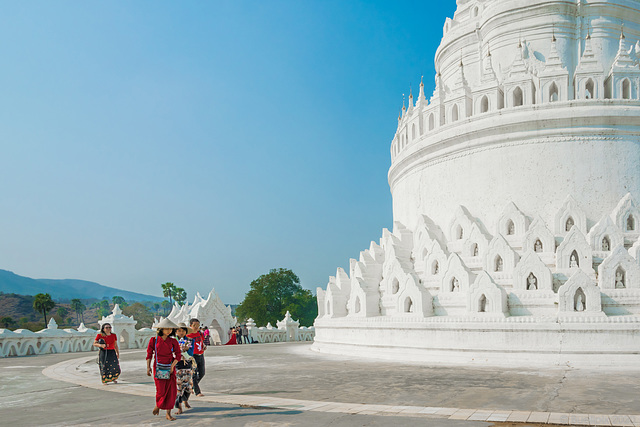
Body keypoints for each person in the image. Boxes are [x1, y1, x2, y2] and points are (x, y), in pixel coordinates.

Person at [147, 318, 181, 421]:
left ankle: (168, 413)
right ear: (161, 329)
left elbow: (178, 355)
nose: (169, 331)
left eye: (170, 329)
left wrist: (172, 366)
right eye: (166, 329)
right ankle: (158, 404)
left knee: (171, 390)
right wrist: (148, 367)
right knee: (161, 390)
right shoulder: (154, 340)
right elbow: (149, 354)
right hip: (158, 366)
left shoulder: (173, 341)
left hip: (169, 367)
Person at [174, 322, 196, 414]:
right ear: (176, 332)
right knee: (178, 387)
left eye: (183, 331)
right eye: (179, 331)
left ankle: (185, 400)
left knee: (188, 385)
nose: (181, 332)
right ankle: (179, 406)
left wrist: (186, 349)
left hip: (187, 365)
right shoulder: (173, 341)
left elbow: (191, 353)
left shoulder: (190, 340)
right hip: (177, 365)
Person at [186, 318, 206, 397]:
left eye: (197, 325)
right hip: (193, 356)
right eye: (194, 325)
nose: (196, 327)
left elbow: (202, 342)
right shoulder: (188, 336)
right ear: (190, 326)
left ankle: (193, 385)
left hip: (201, 354)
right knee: (194, 374)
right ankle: (197, 392)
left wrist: (203, 346)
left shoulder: (200, 333)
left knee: (202, 373)